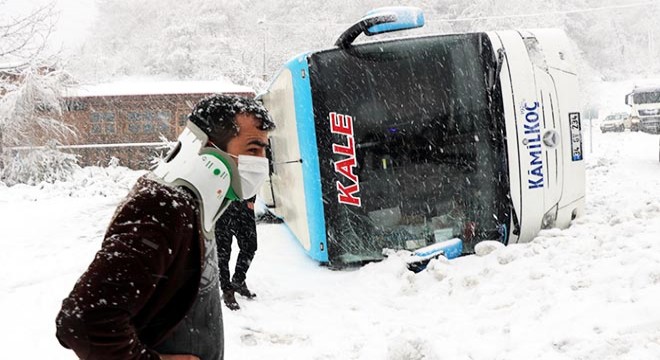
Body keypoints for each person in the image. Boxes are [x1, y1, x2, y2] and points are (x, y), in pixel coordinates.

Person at [55, 94, 275, 360]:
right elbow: (83, 320)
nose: (262, 162)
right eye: (253, 149)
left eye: (265, 150)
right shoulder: (161, 207)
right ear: (207, 149)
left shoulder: (198, 205)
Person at [215, 196, 258, 311]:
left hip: (244, 203)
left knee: (250, 245)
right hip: (221, 205)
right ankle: (227, 290)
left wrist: (251, 200)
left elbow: (254, 178)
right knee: (223, 252)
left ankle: (238, 280)